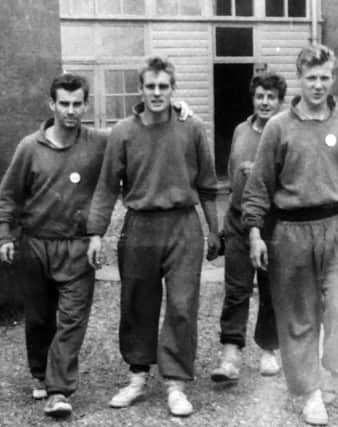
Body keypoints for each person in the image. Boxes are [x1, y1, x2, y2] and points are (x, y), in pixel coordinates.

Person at [242, 44, 338, 426]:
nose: (318, 85)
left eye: (324, 77)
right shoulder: (278, 127)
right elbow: (258, 187)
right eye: (311, 78)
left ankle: (333, 370)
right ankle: (311, 392)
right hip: (290, 231)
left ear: (332, 78)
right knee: (298, 317)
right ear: (299, 79)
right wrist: (255, 233)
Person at [86, 56, 221, 417]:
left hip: (182, 226)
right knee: (137, 303)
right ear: (141, 89)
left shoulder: (192, 128)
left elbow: (208, 185)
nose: (157, 93)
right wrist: (96, 232)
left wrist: (214, 231)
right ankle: (137, 377)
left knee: (182, 304)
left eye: (164, 86)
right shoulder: (123, 132)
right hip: (140, 226)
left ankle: (176, 384)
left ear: (173, 89)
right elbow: (105, 187)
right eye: (151, 86)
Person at [0, 73, 108, 418]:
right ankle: (39, 372)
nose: (71, 111)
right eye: (64, 104)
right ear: (52, 104)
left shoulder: (97, 142)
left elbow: (132, 137)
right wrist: (4, 234)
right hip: (35, 244)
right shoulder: (29, 147)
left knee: (73, 320)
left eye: (78, 104)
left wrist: (177, 109)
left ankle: (58, 390)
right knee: (40, 316)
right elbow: (9, 195)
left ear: (86, 105)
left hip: (77, 246)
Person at [211, 72, 286, 382]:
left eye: (271, 97)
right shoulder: (241, 129)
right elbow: (231, 173)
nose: (264, 102)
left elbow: (293, 178)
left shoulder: (285, 131)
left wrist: (259, 172)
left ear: (280, 101)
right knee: (236, 289)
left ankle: (270, 348)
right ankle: (230, 353)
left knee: (271, 289)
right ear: (253, 98)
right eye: (259, 96)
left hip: (273, 223)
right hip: (239, 221)